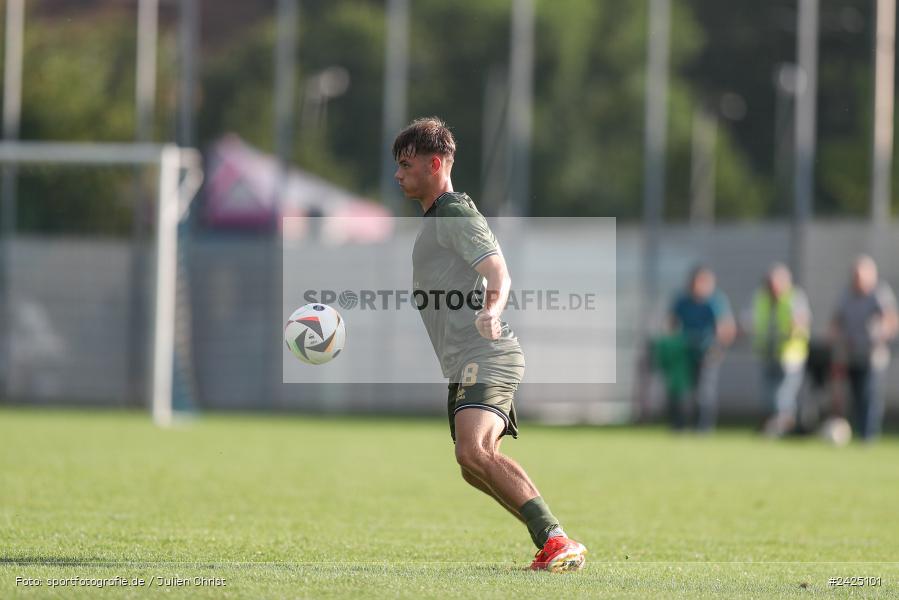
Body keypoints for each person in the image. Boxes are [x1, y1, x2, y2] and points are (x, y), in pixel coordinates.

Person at [393, 117, 587, 572]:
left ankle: (555, 539)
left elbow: (498, 270)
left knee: (472, 450)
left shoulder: (455, 212)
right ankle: (550, 540)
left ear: (435, 164)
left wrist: (492, 311)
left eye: (406, 164)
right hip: (466, 361)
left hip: (488, 354)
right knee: (472, 464)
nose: (398, 174)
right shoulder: (438, 220)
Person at [830, 255, 898, 441]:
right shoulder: (846, 294)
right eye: (855, 276)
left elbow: (891, 318)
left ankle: (868, 435)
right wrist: (836, 337)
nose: (857, 280)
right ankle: (858, 431)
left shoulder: (879, 293)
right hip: (851, 353)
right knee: (855, 395)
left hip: (872, 354)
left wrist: (882, 331)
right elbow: (837, 319)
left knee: (870, 395)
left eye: (860, 277)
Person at [667, 265, 736, 431]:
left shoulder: (715, 301)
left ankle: (703, 428)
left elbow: (726, 327)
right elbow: (671, 323)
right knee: (680, 390)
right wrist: (672, 342)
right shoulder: (682, 300)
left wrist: (719, 348)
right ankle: (679, 426)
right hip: (684, 351)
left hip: (707, 352)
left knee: (704, 393)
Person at [750, 263, 810, 437]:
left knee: (783, 396)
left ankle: (786, 428)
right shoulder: (762, 298)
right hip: (768, 353)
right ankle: (774, 427)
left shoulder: (794, 297)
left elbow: (801, 320)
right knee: (768, 395)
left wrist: (794, 326)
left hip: (790, 356)